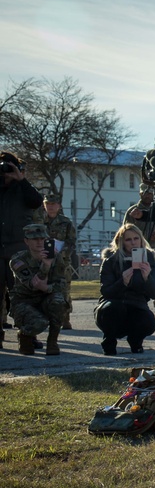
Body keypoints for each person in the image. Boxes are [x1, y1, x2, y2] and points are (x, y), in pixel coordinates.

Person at [95, 223, 155, 355]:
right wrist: (122, 282)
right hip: (112, 305)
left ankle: (135, 341)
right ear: (121, 242)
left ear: (141, 240)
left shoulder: (148, 259)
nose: (133, 243)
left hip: (137, 305)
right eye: (128, 240)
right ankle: (109, 341)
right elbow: (106, 292)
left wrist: (147, 278)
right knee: (113, 309)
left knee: (149, 322)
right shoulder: (111, 260)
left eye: (136, 238)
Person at [0, 151, 43, 348]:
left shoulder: (23, 188)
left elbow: (36, 201)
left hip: (18, 248)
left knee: (22, 292)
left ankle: (27, 334)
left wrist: (21, 179)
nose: (6, 171)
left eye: (10, 167)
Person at [8, 223, 67, 355]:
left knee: (59, 301)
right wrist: (45, 265)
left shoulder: (55, 257)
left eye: (42, 239)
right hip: (24, 301)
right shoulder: (18, 260)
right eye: (35, 239)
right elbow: (33, 285)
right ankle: (24, 335)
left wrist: (47, 288)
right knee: (39, 323)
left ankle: (52, 342)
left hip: (45, 297)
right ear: (26, 241)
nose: (40, 242)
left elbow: (62, 284)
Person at [124, 183, 155, 322]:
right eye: (145, 192)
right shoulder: (133, 211)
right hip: (138, 250)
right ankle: (138, 307)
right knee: (137, 276)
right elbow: (126, 231)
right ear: (140, 194)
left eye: (150, 193)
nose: (148, 195)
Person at [34, 193, 77, 330]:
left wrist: (60, 253)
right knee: (42, 289)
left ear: (59, 206)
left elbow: (71, 242)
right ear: (44, 205)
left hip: (61, 263)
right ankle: (43, 317)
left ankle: (65, 318)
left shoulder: (66, 222)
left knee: (63, 290)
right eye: (48, 204)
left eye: (53, 204)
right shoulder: (38, 223)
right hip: (42, 262)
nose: (51, 207)